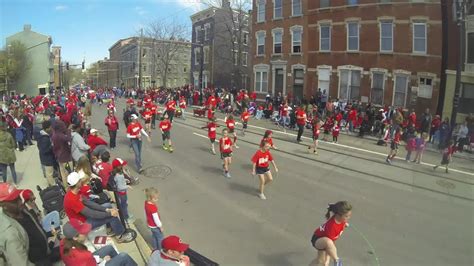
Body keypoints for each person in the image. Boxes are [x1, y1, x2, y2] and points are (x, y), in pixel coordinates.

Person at [63, 172, 134, 243]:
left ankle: (111, 229)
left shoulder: (75, 191)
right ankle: (120, 236)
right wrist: (110, 214)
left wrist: (107, 209)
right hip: (82, 225)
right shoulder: (71, 199)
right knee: (112, 217)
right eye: (80, 180)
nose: (81, 181)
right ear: (77, 183)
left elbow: (89, 203)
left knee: (107, 205)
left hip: (84, 218)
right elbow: (91, 213)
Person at [60, 219, 137, 266]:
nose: (86, 233)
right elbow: (89, 260)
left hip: (84, 262)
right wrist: (104, 261)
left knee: (109, 248)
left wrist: (99, 259)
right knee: (124, 256)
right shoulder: (84, 255)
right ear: (75, 237)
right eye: (83, 232)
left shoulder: (63, 243)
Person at [0, 183, 32, 265]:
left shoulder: (14, 212)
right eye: (15, 201)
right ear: (4, 206)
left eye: (19, 197)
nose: (21, 202)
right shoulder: (10, 235)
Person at [311, 201, 352, 266]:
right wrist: (328, 259)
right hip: (318, 239)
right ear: (338, 215)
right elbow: (329, 245)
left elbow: (331, 245)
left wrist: (344, 224)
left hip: (326, 240)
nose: (349, 217)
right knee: (324, 260)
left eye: (349, 215)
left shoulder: (341, 220)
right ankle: (337, 260)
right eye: (346, 216)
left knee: (320, 261)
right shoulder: (332, 227)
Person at [36, 120, 56, 186]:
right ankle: (54, 186)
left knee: (48, 174)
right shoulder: (45, 138)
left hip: (44, 159)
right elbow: (44, 150)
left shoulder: (41, 135)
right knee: (49, 174)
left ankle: (50, 185)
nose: (51, 129)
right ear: (46, 128)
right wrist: (52, 146)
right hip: (47, 159)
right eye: (50, 127)